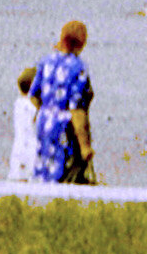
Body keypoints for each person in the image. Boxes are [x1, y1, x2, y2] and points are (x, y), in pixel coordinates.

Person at [17, 23, 95, 186]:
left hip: (45, 122)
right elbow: (76, 109)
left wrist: (47, 110)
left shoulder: (46, 62)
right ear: (81, 43)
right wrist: (85, 146)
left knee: (44, 170)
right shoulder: (78, 68)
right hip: (65, 128)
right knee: (66, 174)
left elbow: (33, 95)